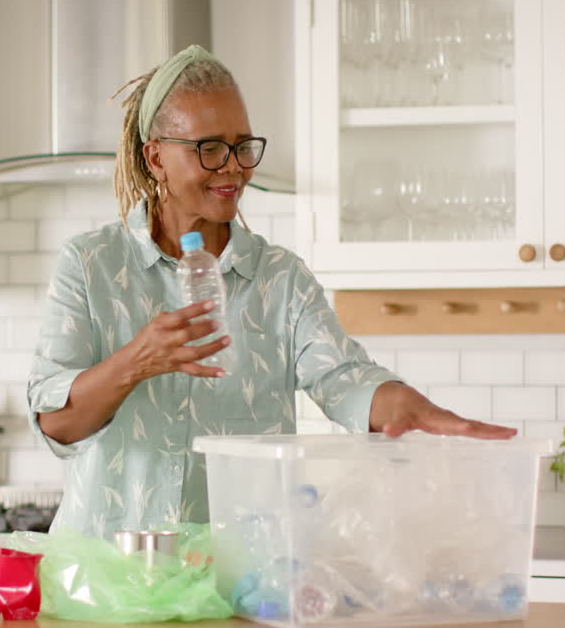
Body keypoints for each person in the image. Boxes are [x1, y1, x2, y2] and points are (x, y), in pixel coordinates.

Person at [28, 45, 515, 539]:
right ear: (156, 156)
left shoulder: (279, 277)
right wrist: (137, 360)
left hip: (236, 573)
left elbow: (344, 378)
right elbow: (56, 424)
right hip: (108, 579)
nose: (234, 167)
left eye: (243, 146)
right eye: (210, 148)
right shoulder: (91, 264)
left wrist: (409, 405)